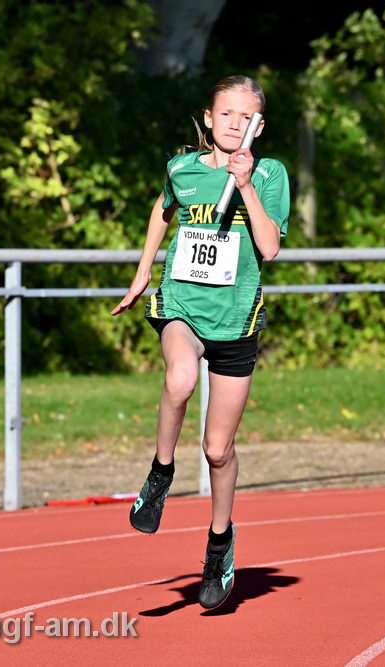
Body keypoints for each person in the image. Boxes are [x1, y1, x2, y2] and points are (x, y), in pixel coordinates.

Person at [111, 75, 290, 609]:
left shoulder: (272, 173)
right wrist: (144, 270)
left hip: (235, 319)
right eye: (226, 114)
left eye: (247, 117)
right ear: (209, 119)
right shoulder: (182, 170)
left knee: (218, 450)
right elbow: (161, 211)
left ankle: (219, 543)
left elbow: (270, 247)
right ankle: (161, 473)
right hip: (181, 305)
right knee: (180, 377)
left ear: (259, 124)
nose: (236, 124)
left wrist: (249, 184)